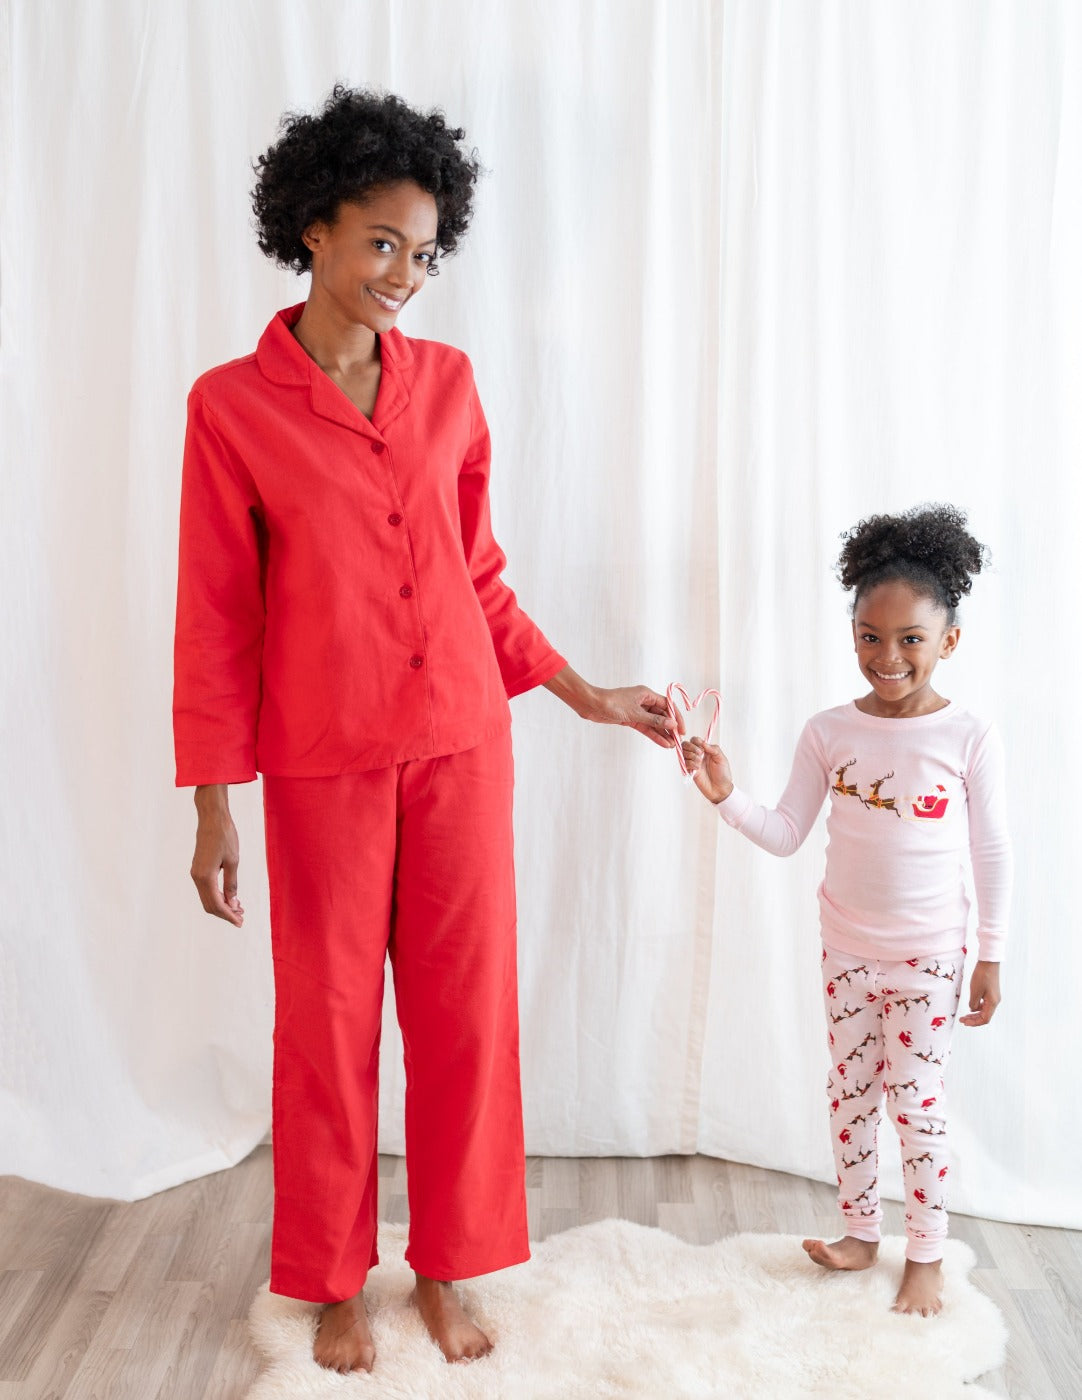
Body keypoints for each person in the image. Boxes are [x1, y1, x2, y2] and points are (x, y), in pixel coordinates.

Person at [173, 86, 680, 1374]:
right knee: (327, 1024)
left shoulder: (448, 384)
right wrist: (212, 802)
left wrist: (584, 691)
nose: (404, 273)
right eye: (382, 242)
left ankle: (447, 1263)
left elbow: (476, 574)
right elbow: (217, 614)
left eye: (424, 251)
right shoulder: (230, 406)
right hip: (321, 762)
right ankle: (331, 1279)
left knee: (465, 1017)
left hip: (460, 743)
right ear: (313, 228)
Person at [682, 504, 1011, 1317]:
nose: (888, 657)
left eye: (910, 639)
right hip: (846, 954)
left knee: (917, 1103)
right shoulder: (828, 732)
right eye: (870, 637)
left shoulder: (969, 735)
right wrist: (727, 796)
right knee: (851, 1095)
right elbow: (786, 832)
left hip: (931, 958)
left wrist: (991, 953)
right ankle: (862, 1232)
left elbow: (993, 851)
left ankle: (926, 1252)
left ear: (949, 641)